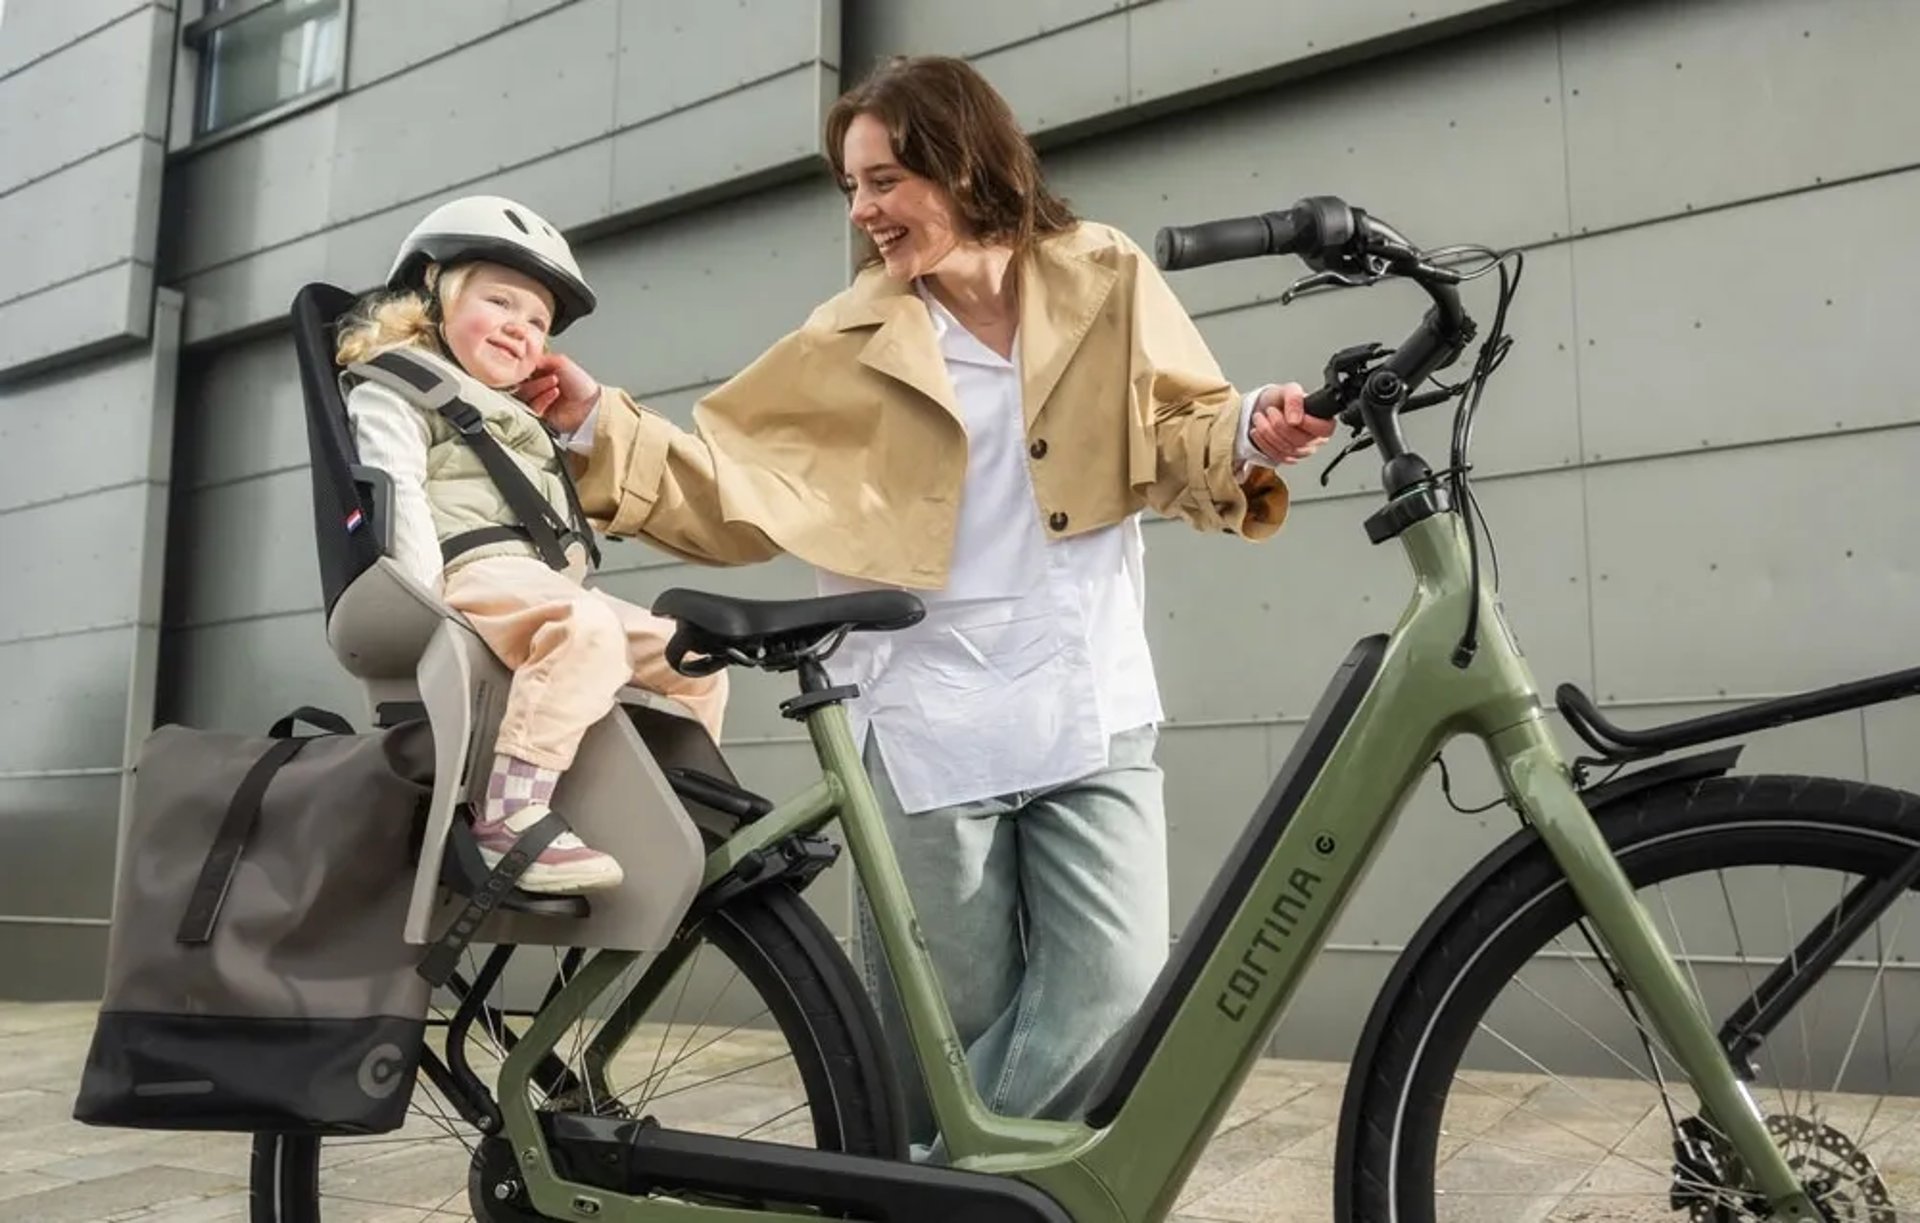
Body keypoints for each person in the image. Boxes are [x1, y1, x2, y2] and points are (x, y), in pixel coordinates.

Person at [526, 56, 1334, 1144]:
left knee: (1115, 986)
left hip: (1088, 695)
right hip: (924, 724)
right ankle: (942, 1177)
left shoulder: (1105, 276)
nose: (863, 211)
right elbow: (728, 485)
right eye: (852, 188)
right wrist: (594, 426)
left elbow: (1179, 424)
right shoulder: (845, 340)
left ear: (964, 162)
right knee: (938, 1029)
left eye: (887, 180)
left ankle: (917, 1184)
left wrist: (1248, 431)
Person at [335, 195, 728, 895]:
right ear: (433, 293)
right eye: (501, 302)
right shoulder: (397, 386)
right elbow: (394, 491)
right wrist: (429, 616)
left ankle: (674, 813)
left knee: (691, 659)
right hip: (468, 576)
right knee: (585, 630)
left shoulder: (521, 417)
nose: (521, 328)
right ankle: (509, 814)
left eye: (538, 321)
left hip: (544, 585)